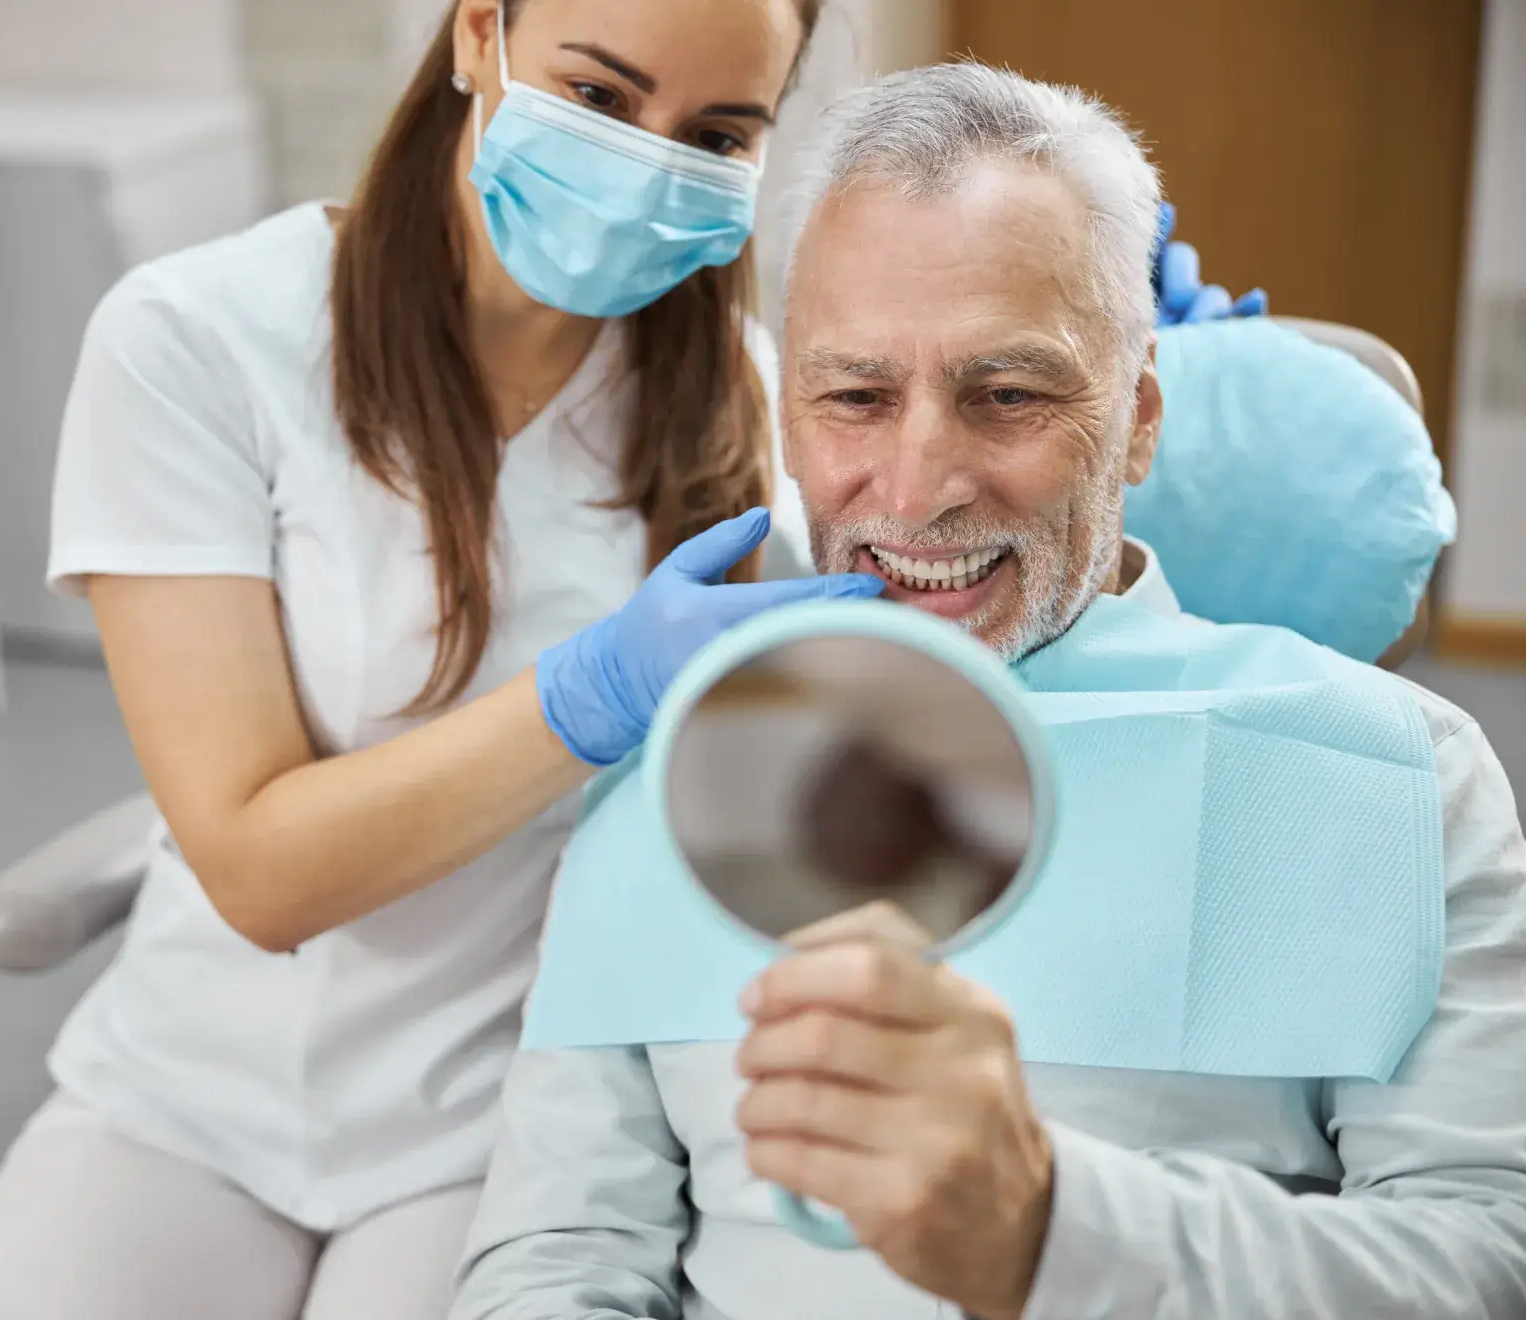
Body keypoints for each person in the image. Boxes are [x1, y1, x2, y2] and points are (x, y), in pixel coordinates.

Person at [450, 63, 1526, 1319]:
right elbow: (557, 1255)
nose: (914, 492)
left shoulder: (1392, 772)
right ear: (787, 416)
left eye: (1004, 396)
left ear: (1134, 419)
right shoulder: (671, 772)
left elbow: (1484, 1259)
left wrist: (1052, 1230)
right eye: (854, 398)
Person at [0, 2, 882, 1318]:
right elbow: (261, 873)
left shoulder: (737, 397)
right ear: (478, 35)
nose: (650, 164)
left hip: (499, 1118)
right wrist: (590, 694)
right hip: (187, 1093)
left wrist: (1128, 376)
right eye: (603, 99)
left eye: (716, 133)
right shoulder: (200, 341)